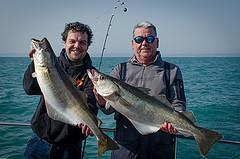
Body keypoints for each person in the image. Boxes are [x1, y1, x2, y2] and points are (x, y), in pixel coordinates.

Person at [95, 21, 186, 159]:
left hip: (160, 146)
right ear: (132, 43)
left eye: (150, 39)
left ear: (157, 42)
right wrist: (101, 100)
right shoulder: (120, 70)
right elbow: (108, 110)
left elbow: (178, 104)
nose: (144, 43)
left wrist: (176, 122)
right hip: (125, 147)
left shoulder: (171, 71)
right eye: (139, 39)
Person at [23, 21, 98, 159]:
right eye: (72, 41)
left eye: (82, 42)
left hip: (70, 149)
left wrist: (91, 124)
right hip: (40, 141)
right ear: (64, 42)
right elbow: (29, 88)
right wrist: (35, 63)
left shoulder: (92, 75)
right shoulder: (50, 63)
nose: (77, 45)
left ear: (88, 46)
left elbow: (91, 105)